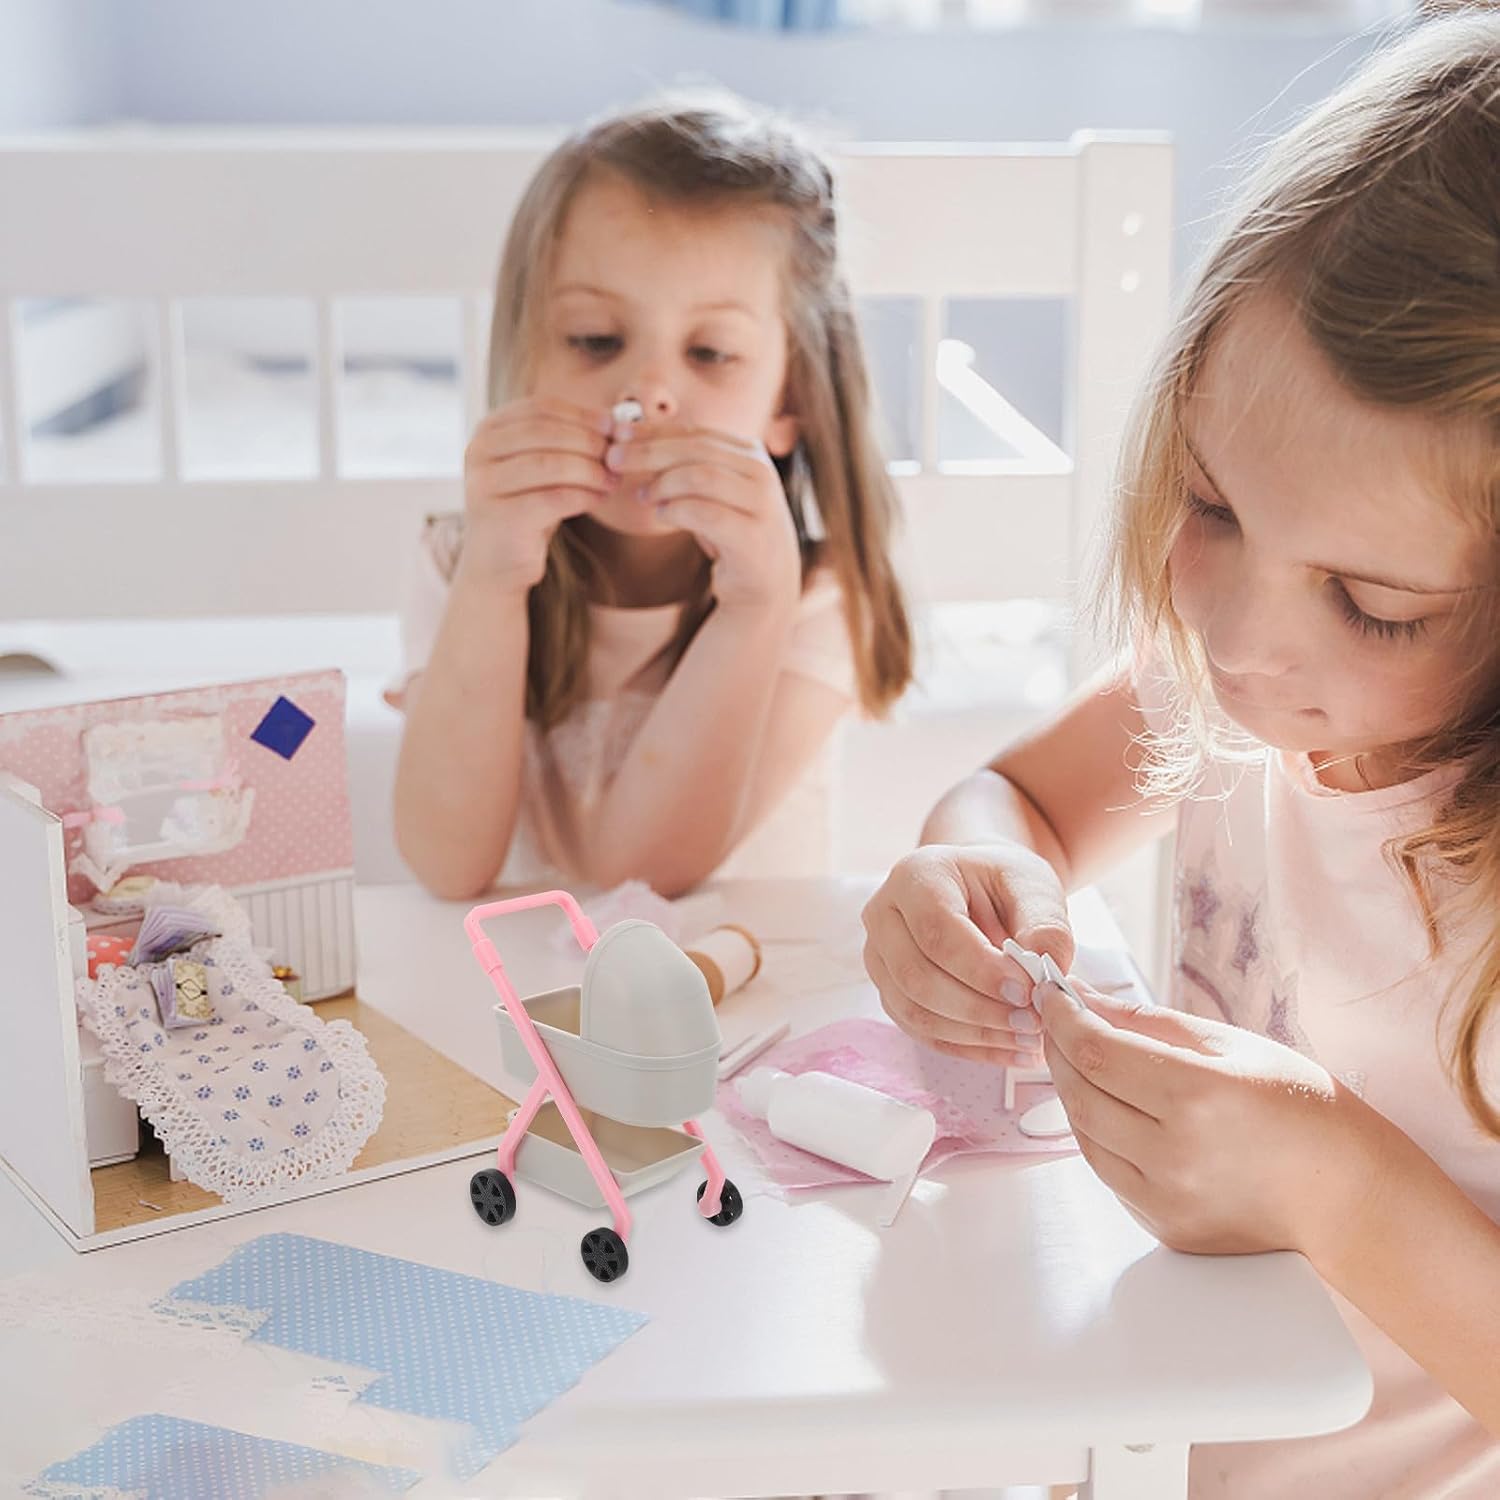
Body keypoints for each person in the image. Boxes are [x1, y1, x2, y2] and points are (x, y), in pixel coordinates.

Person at [861, 13, 1500, 1493]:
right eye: (1211, 505)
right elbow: (1019, 796)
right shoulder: (1237, 685)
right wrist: (975, 870)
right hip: (1137, 1444)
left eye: (1374, 603)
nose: (1236, 632)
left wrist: (1339, 1186)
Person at [392, 95, 912, 899]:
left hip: (745, 971)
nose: (646, 392)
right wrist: (493, 580)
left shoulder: (821, 599)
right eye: (595, 340)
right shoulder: (463, 560)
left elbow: (633, 879)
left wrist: (754, 607)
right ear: (525, 357)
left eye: (711, 352)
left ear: (792, 400)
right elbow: (445, 864)